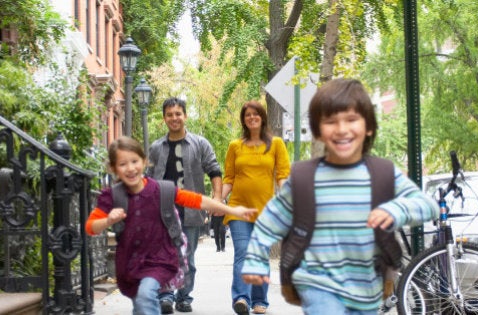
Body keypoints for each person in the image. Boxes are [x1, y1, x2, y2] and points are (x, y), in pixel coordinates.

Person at [240, 79, 439, 315]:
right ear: (318, 131)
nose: (342, 129)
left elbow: (428, 206)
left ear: (369, 127)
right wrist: (254, 257)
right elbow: (270, 219)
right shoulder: (305, 178)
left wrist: (397, 210)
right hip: (317, 284)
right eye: (331, 122)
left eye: (352, 119)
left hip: (367, 288)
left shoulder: (384, 173)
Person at [85, 136, 256, 315]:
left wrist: (233, 211)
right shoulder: (113, 196)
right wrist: (108, 221)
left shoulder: (161, 190)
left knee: (145, 296)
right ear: (113, 168)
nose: (130, 168)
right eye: (122, 164)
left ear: (144, 162)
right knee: (141, 305)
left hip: (158, 260)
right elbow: (91, 226)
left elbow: (197, 201)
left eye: (134, 161)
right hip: (130, 265)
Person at [147, 97, 224, 314]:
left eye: (177, 114)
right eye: (169, 115)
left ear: (185, 116)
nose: (174, 118)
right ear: (164, 118)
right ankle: (166, 296)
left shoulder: (200, 144)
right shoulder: (156, 148)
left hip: (190, 211)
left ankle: (184, 297)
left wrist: (217, 199)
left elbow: (215, 171)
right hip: (162, 210)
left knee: (187, 257)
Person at [221, 100, 291, 315]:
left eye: (256, 114)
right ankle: (241, 298)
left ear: (262, 117)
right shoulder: (235, 146)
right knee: (243, 252)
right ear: (243, 120)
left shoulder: (276, 144)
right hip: (238, 209)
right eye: (247, 115)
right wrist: (217, 201)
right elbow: (229, 178)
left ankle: (260, 300)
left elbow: (282, 176)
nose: (252, 117)